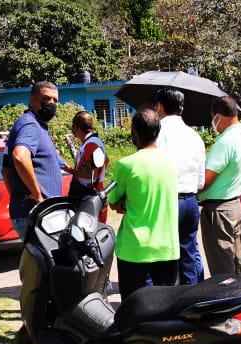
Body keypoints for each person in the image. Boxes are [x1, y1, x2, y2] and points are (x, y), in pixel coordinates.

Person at [108, 108, 179, 300]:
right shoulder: (172, 162)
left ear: (134, 132)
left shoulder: (126, 164)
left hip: (134, 249)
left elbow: (113, 200)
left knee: (133, 307)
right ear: (158, 131)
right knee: (166, 308)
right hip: (167, 247)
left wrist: (123, 202)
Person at [154, 88, 206, 285]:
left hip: (166, 200)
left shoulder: (157, 133)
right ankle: (190, 298)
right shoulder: (194, 136)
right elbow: (200, 181)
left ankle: (167, 300)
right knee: (188, 253)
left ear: (159, 106)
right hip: (190, 201)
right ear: (182, 109)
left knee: (164, 256)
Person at [2, 81, 63, 239]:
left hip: (29, 212)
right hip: (37, 214)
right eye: (46, 98)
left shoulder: (31, 124)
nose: (51, 103)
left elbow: (6, 170)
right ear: (33, 99)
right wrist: (37, 195)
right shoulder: (30, 125)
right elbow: (20, 156)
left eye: (55, 100)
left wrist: (17, 196)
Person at [198, 96, 241, 276]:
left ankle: (226, 301)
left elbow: (205, 180)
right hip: (233, 205)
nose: (213, 122)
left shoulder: (225, 141)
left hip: (218, 210)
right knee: (236, 260)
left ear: (219, 116)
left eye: (213, 118)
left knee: (222, 266)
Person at [66, 111, 108, 202]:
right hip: (92, 193)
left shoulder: (91, 144)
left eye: (73, 126)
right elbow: (106, 160)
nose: (72, 130)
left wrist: (73, 172)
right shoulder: (92, 142)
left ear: (77, 127)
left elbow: (91, 174)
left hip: (88, 196)